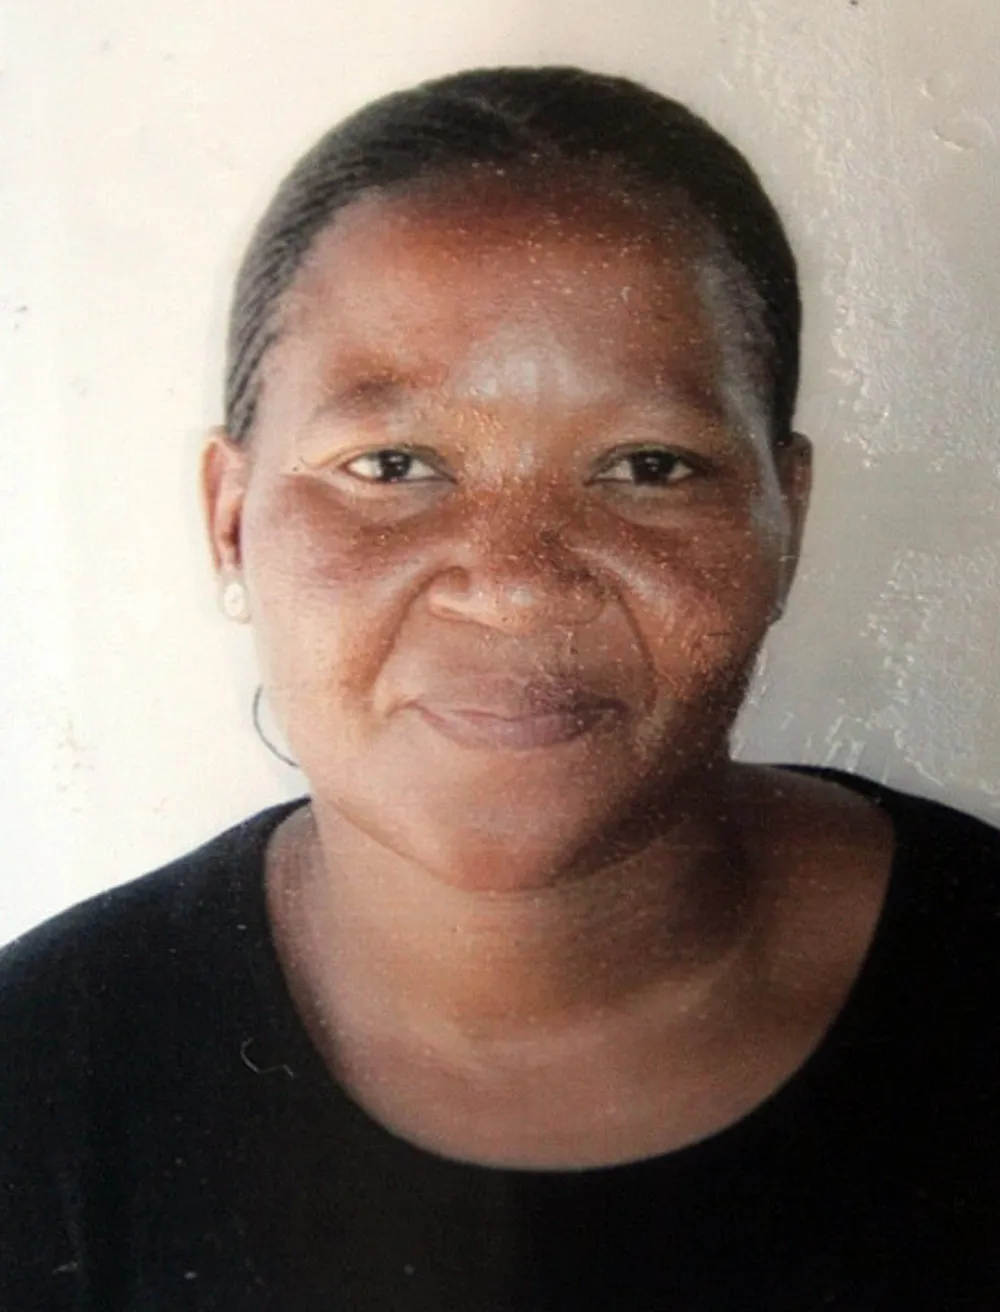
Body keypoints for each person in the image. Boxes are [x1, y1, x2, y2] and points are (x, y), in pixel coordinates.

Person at [2, 65, 999, 1311]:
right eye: (394, 464)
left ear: (783, 520)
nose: (518, 584)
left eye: (646, 466)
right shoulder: (42, 1088)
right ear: (230, 519)